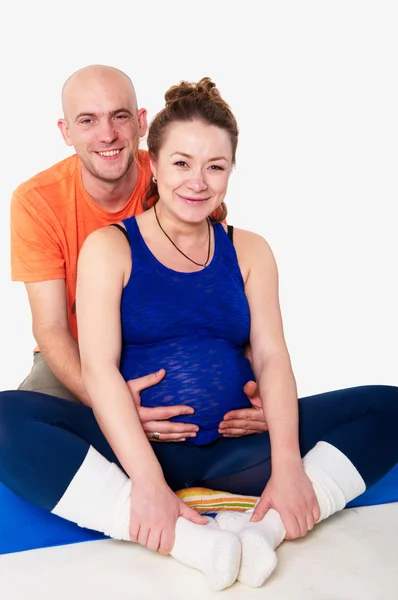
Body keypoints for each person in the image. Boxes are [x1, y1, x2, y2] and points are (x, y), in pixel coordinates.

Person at [1, 77, 397, 591]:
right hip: (137, 448)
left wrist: (285, 460)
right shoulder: (108, 247)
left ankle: (266, 530)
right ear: (156, 164)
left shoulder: (250, 249)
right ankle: (181, 536)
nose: (198, 181)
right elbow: (94, 364)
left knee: (389, 407)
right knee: (7, 417)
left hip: (236, 449)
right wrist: (146, 481)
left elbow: (273, 356)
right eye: (182, 164)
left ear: (232, 172)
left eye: (216, 167)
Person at [10, 64, 267, 441]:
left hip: (164, 342)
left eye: (120, 116)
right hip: (76, 355)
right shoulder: (37, 200)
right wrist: (111, 405)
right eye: (88, 120)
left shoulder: (181, 176)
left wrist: (257, 384)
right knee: (18, 430)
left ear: (141, 122)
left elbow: (221, 294)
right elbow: (50, 326)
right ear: (66, 132)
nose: (107, 134)